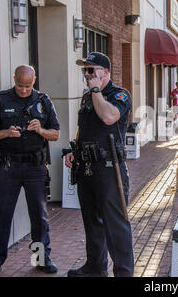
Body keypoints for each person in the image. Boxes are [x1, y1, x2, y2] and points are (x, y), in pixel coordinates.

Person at [0, 65, 60, 277]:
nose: (24, 89)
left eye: (28, 85)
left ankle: (41, 260)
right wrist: (6, 133)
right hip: (8, 166)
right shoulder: (0, 100)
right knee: (1, 215)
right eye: (20, 85)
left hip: (35, 167)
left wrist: (40, 130)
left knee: (39, 217)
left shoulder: (43, 101)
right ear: (14, 78)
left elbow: (56, 134)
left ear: (34, 80)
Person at [65, 52, 134, 277]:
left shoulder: (119, 95)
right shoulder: (87, 97)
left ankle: (123, 272)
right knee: (92, 221)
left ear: (105, 72)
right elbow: (83, 129)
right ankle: (95, 267)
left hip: (109, 168)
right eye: (85, 70)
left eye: (91, 70)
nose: (86, 74)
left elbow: (108, 117)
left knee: (116, 225)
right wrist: (73, 151)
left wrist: (96, 91)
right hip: (87, 168)